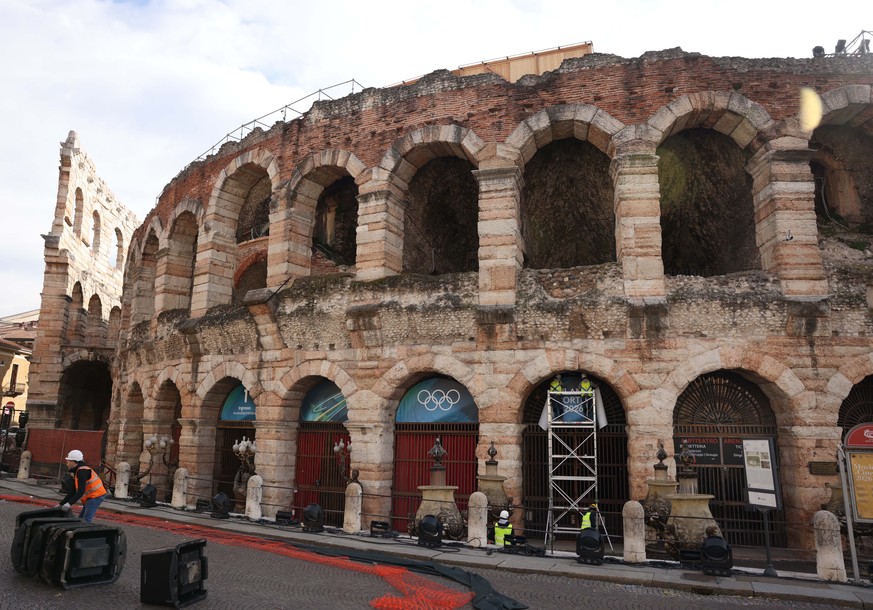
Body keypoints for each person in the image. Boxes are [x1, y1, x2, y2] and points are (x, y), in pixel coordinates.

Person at [57, 449, 108, 522]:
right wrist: (61, 504)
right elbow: (73, 491)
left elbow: (81, 491)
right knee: (80, 519)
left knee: (86, 520)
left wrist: (69, 504)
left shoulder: (82, 472)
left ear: (73, 462)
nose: (67, 463)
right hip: (92, 496)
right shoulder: (77, 471)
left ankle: (85, 532)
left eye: (68, 461)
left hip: (96, 496)